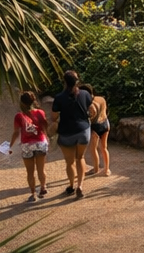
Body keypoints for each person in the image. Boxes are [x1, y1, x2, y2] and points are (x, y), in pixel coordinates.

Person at [51, 70, 92, 198]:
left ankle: (71, 186)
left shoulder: (59, 97)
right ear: (77, 81)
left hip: (66, 132)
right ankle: (80, 186)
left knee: (70, 162)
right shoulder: (85, 93)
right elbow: (92, 109)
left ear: (64, 82)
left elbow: (54, 116)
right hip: (83, 130)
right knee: (80, 158)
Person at [8, 91, 50, 201]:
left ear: (22, 103)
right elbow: (45, 126)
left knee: (30, 172)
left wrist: (10, 145)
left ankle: (33, 194)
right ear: (33, 101)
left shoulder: (19, 116)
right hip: (40, 142)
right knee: (41, 169)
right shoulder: (40, 112)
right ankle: (43, 187)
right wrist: (47, 137)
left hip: (26, 145)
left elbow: (16, 132)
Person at [81, 83, 111, 178]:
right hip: (105, 123)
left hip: (96, 127)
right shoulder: (101, 99)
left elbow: (91, 115)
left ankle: (96, 169)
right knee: (104, 148)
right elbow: (105, 110)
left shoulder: (89, 103)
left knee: (93, 148)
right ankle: (106, 170)